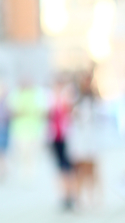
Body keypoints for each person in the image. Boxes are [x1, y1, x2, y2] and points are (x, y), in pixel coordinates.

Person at [67, 72, 102, 210]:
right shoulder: (76, 98)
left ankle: (91, 197)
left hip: (91, 138)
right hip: (80, 138)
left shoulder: (94, 98)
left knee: (91, 168)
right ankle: (78, 197)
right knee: (79, 169)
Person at [47, 78, 75, 211]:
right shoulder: (51, 100)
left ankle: (70, 194)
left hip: (66, 138)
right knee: (60, 168)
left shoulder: (67, 100)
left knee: (68, 167)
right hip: (55, 137)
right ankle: (64, 195)